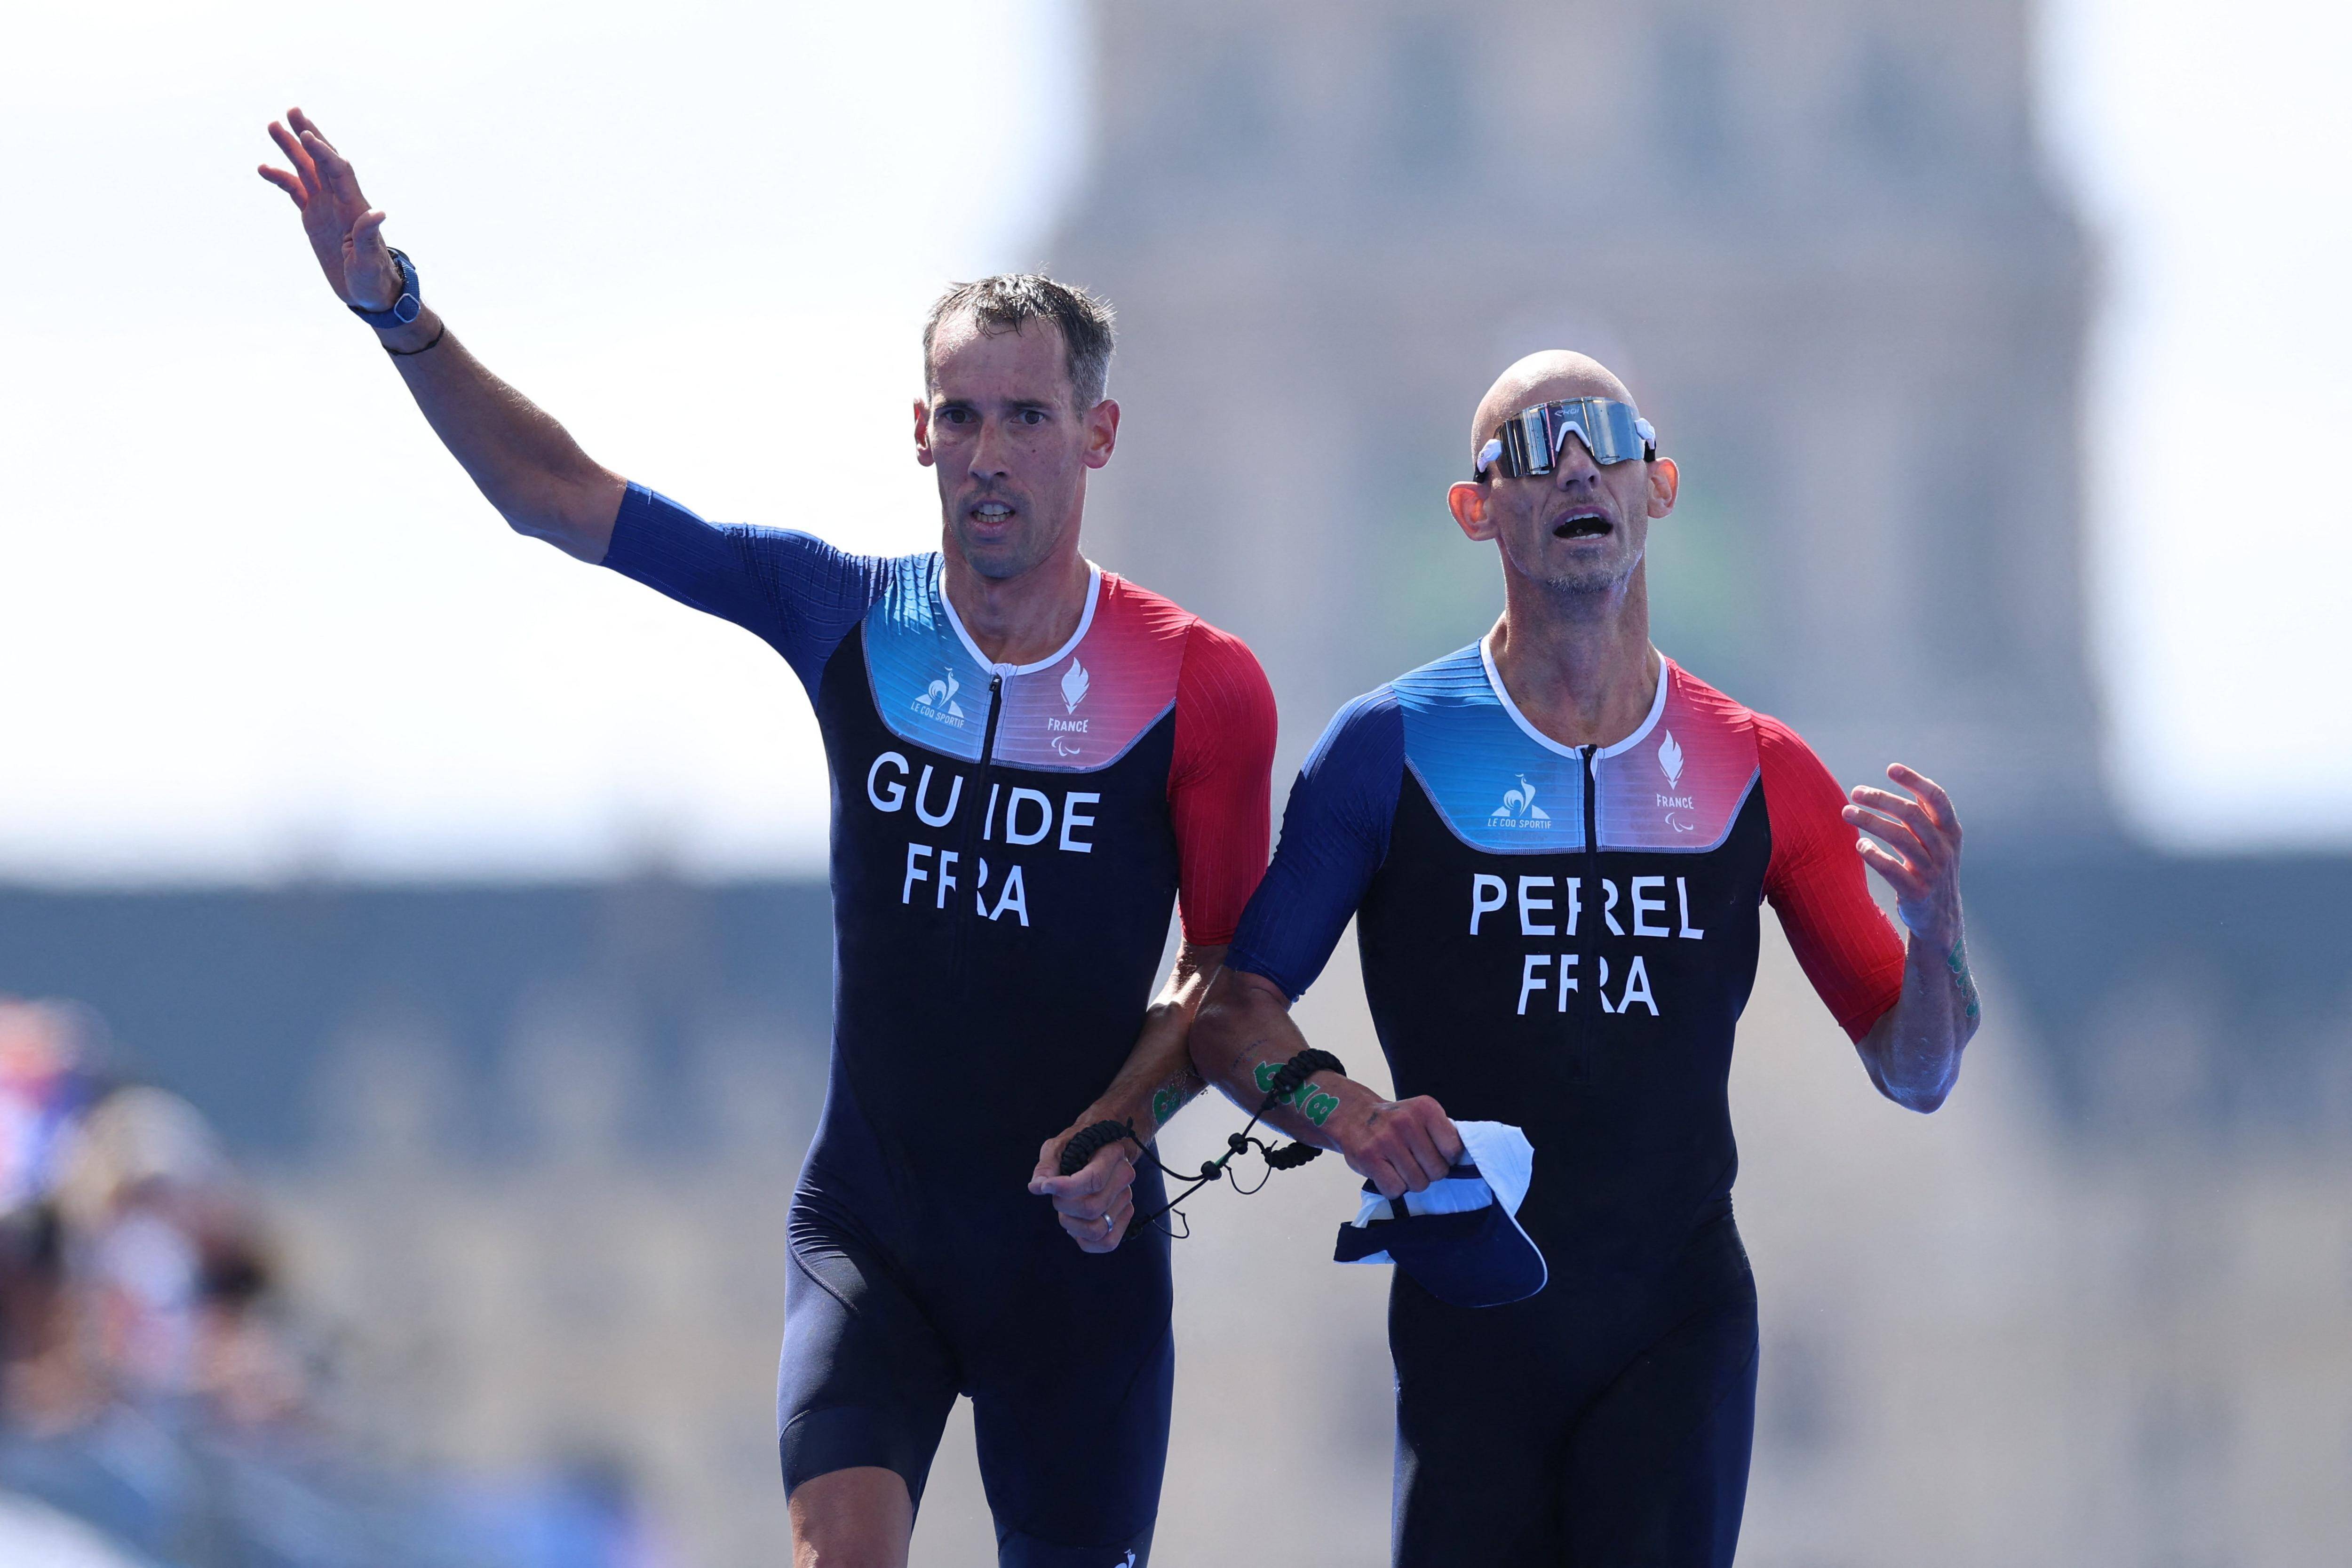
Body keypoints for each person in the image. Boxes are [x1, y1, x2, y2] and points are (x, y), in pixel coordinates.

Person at [258, 109, 1278, 1568]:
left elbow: (1227, 983)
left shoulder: (1198, 682)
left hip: (1076, 1258)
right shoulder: (845, 614)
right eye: (961, 417)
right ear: (919, 432)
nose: (989, 454)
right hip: (875, 1230)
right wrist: (397, 312)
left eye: (1028, 418)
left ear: (1097, 437)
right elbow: (556, 495)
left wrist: (1133, 1125)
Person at [1188, 351, 1979, 1567]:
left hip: (1678, 1321)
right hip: (1472, 1310)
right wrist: (1343, 1115)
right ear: (1474, 509)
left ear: (1657, 487)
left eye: (1602, 437)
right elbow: (1235, 1015)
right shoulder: (1386, 748)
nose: (1570, 463)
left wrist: (1935, 946)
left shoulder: (1760, 764)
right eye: (1529, 446)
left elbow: (1916, 1070)